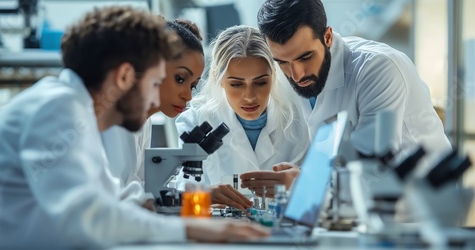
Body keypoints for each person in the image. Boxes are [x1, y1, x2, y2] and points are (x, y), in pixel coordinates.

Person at [0, 7, 268, 249]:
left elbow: (115, 197)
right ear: (126, 75)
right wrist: (190, 231)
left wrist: (185, 213)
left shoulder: (75, 111)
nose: (156, 98)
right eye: (155, 83)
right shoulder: (58, 108)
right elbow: (90, 216)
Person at [240, 0, 451, 196]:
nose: (297, 75)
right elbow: (340, 162)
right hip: (361, 206)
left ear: (328, 37)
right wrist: (299, 175)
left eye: (305, 57)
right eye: (282, 62)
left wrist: (302, 182)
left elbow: (372, 168)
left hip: (421, 200)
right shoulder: (305, 78)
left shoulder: (379, 68)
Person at [175, 25, 310, 210]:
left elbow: (326, 188)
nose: (250, 96)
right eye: (237, 84)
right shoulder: (195, 122)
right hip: (222, 234)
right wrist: (205, 197)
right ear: (217, 78)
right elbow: (181, 195)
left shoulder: (301, 117)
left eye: (261, 82)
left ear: (274, 75)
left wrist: (299, 184)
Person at [101, 18, 205, 207]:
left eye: (193, 86)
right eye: (180, 79)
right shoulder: (112, 119)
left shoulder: (144, 121)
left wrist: (188, 194)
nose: (188, 96)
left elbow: (140, 188)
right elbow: (110, 197)